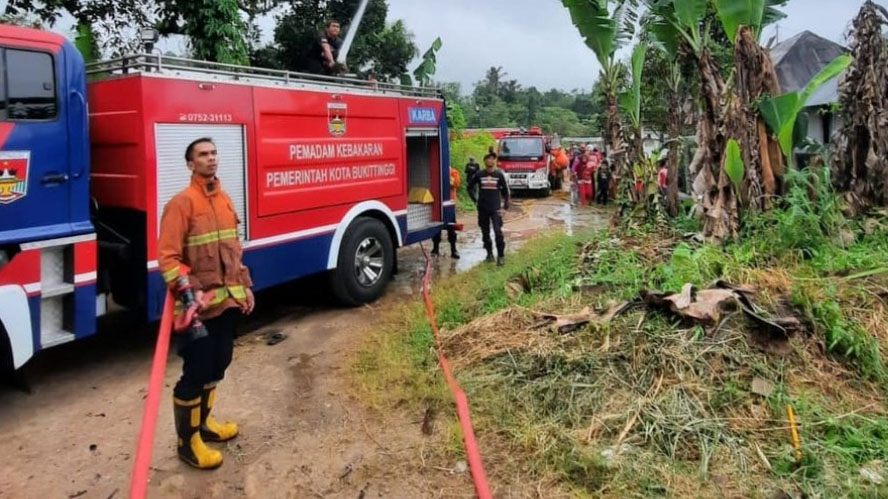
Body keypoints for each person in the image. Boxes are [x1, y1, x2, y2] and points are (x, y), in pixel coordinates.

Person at [159, 138, 255, 470]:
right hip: (197, 309)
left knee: (219, 363)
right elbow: (169, 259)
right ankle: (188, 445)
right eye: (203, 154)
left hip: (226, 302)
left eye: (214, 153)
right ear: (190, 164)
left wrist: (245, 286)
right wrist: (189, 296)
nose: (211, 158)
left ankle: (203, 426)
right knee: (196, 372)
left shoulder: (225, 200)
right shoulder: (181, 204)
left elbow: (233, 250)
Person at [468, 148, 510, 266]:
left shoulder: (499, 175)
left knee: (498, 232)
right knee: (485, 232)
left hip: (496, 208)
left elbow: (506, 192)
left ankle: (501, 256)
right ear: (485, 161)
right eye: (488, 159)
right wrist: (475, 200)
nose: (490, 161)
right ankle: (489, 254)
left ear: (494, 161)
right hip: (482, 208)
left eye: (492, 159)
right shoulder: (480, 174)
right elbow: (469, 187)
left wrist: (505, 207)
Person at [432, 166, 461, 259]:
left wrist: (446, 178)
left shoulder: (453, 172)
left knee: (451, 228)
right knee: (436, 228)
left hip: (449, 205)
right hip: (437, 204)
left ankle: (453, 250)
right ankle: (435, 249)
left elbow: (456, 183)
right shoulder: (435, 170)